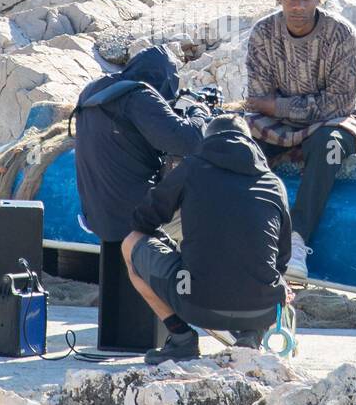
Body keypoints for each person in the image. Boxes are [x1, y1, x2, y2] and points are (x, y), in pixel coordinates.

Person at [243, 0, 356, 282]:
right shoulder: (263, 33)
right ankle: (240, 237)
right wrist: (278, 111)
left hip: (338, 120)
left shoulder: (341, 34)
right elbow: (259, 100)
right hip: (279, 123)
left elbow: (341, 102)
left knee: (329, 145)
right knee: (235, 140)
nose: (299, 5)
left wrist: (282, 108)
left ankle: (297, 240)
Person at [123, 114, 293, 364]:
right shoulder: (273, 182)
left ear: (208, 140)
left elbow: (143, 220)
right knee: (273, 278)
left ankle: (182, 339)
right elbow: (283, 257)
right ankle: (251, 335)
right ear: (250, 143)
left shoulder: (191, 168)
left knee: (130, 243)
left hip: (196, 304)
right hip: (263, 308)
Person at [71, 44, 207, 244]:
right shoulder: (139, 96)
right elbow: (189, 141)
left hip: (99, 218)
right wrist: (198, 110)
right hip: (135, 219)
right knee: (215, 213)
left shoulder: (91, 91)